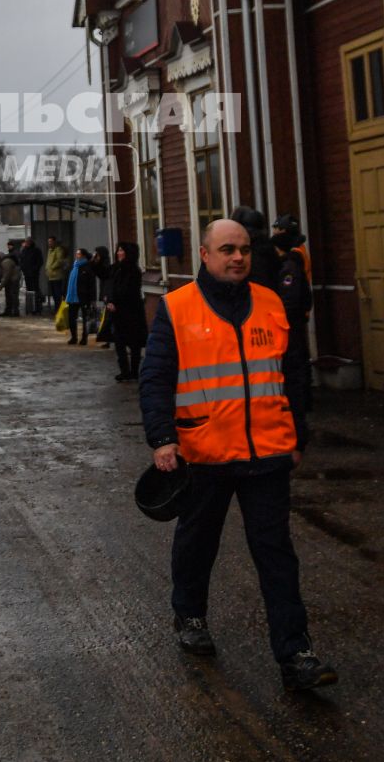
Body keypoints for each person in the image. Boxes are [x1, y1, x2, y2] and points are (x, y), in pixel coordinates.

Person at [140, 218, 336, 692]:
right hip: (205, 452)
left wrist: (298, 438)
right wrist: (163, 437)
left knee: (275, 554)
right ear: (204, 255)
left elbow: (292, 377)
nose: (238, 258)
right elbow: (156, 378)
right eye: (227, 249)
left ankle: (296, 656)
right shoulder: (177, 307)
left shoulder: (271, 303)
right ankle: (189, 614)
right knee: (198, 540)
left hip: (267, 453)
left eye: (245, 249)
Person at [271, 215, 314, 445]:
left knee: (298, 361)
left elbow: (292, 295)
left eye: (277, 229)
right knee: (301, 359)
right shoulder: (299, 253)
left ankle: (305, 400)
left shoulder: (292, 259)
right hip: (300, 315)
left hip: (295, 318)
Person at [107, 241, 146, 380]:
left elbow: (126, 290)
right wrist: (110, 301)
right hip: (118, 312)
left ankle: (134, 371)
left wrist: (114, 302)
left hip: (131, 312)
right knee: (119, 343)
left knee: (134, 343)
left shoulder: (133, 271)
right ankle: (124, 370)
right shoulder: (116, 269)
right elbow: (109, 283)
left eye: (121, 250)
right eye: (118, 250)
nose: (118, 253)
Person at [64, 248, 92, 345]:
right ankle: (74, 337)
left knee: (85, 318)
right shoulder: (75, 266)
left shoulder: (87, 267)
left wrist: (91, 298)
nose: (77, 256)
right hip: (72, 297)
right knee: (71, 317)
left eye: (79, 254)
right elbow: (70, 283)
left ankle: (84, 338)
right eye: (76, 254)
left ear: (84, 255)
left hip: (83, 296)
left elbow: (91, 284)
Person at [90, 246, 113, 346]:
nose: (96, 256)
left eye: (97, 254)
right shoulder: (101, 265)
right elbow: (94, 270)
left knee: (108, 318)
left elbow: (105, 278)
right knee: (107, 317)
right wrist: (93, 260)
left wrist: (106, 295)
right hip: (105, 292)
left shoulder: (106, 266)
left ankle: (109, 338)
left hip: (108, 294)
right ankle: (108, 339)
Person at [45, 236, 70, 317]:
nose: (49, 243)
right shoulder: (50, 250)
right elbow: (48, 261)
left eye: (51, 242)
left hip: (57, 276)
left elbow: (59, 261)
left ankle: (59, 310)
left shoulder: (58, 250)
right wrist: (47, 269)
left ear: (54, 242)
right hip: (51, 276)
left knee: (57, 294)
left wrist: (52, 267)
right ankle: (56, 310)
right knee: (54, 294)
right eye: (48, 242)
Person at [19, 237, 44, 315]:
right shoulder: (24, 250)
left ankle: (37, 307)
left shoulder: (36, 250)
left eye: (28, 242)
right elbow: (21, 261)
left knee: (35, 290)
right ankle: (30, 308)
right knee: (29, 291)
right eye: (26, 242)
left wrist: (34, 269)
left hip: (34, 274)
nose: (26, 243)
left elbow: (40, 261)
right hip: (27, 274)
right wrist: (23, 269)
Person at [0, 240, 23, 318]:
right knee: (10, 294)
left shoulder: (14, 253)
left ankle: (14, 311)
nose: (9, 246)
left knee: (13, 295)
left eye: (10, 245)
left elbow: (14, 259)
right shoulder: (11, 254)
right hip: (12, 277)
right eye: (8, 245)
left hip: (14, 277)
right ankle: (11, 310)